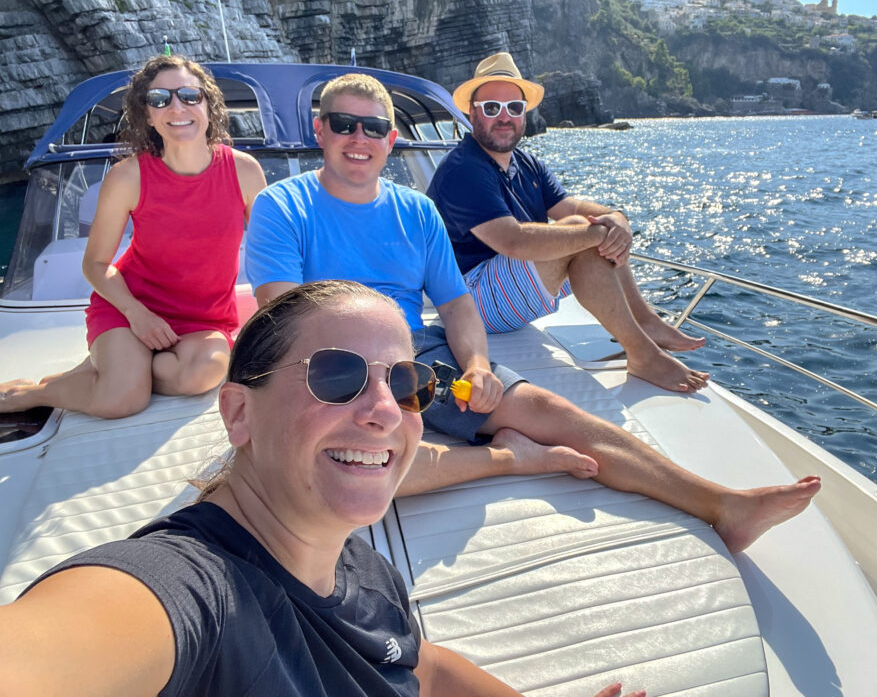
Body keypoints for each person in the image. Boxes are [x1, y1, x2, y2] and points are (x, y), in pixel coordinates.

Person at [244, 72, 821, 553]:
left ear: (391, 138)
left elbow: (455, 303)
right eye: (344, 125)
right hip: (330, 361)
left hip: (411, 353)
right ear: (320, 130)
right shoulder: (283, 205)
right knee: (328, 469)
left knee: (553, 410)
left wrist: (476, 366)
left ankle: (721, 503)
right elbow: (282, 314)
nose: (358, 138)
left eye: (373, 127)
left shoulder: (415, 210)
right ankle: (505, 458)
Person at [0, 279, 645, 697]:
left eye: (406, 382)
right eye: (336, 376)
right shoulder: (187, 593)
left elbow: (423, 669)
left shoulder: (361, 569)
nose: (386, 412)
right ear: (238, 413)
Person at [0, 55, 266, 419]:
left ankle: (118, 369)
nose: (177, 107)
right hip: (130, 307)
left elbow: (271, 251)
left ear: (209, 103)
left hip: (204, 320)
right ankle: (33, 393)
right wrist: (138, 315)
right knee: (122, 401)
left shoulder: (244, 171)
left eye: (190, 95)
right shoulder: (129, 177)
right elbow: (95, 264)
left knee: (204, 375)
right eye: (160, 99)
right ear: (148, 114)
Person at [427, 52, 708, 394]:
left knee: (585, 234)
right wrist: (597, 230)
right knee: (583, 232)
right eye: (491, 108)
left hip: (503, 292)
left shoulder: (527, 164)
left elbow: (569, 205)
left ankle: (646, 325)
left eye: (513, 108)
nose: (504, 117)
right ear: (472, 114)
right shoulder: (463, 169)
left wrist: (617, 217)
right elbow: (512, 241)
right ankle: (643, 350)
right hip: (468, 303)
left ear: (524, 114)